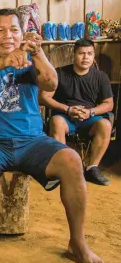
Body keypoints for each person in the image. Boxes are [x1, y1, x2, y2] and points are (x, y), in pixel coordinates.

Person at [0, 8, 105, 263]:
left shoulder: (32, 60)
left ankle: (77, 242)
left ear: (22, 34)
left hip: (32, 142)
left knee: (71, 160)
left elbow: (51, 83)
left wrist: (37, 53)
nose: (7, 35)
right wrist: (5, 62)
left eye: (13, 29)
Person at [39, 38, 114, 186]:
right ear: (74, 54)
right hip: (66, 116)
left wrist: (90, 112)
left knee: (105, 124)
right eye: (81, 53)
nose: (86, 57)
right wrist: (67, 109)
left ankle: (92, 168)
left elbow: (109, 104)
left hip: (89, 118)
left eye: (89, 54)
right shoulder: (59, 73)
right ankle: (64, 167)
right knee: (56, 122)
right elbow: (44, 98)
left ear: (93, 56)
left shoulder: (101, 77)